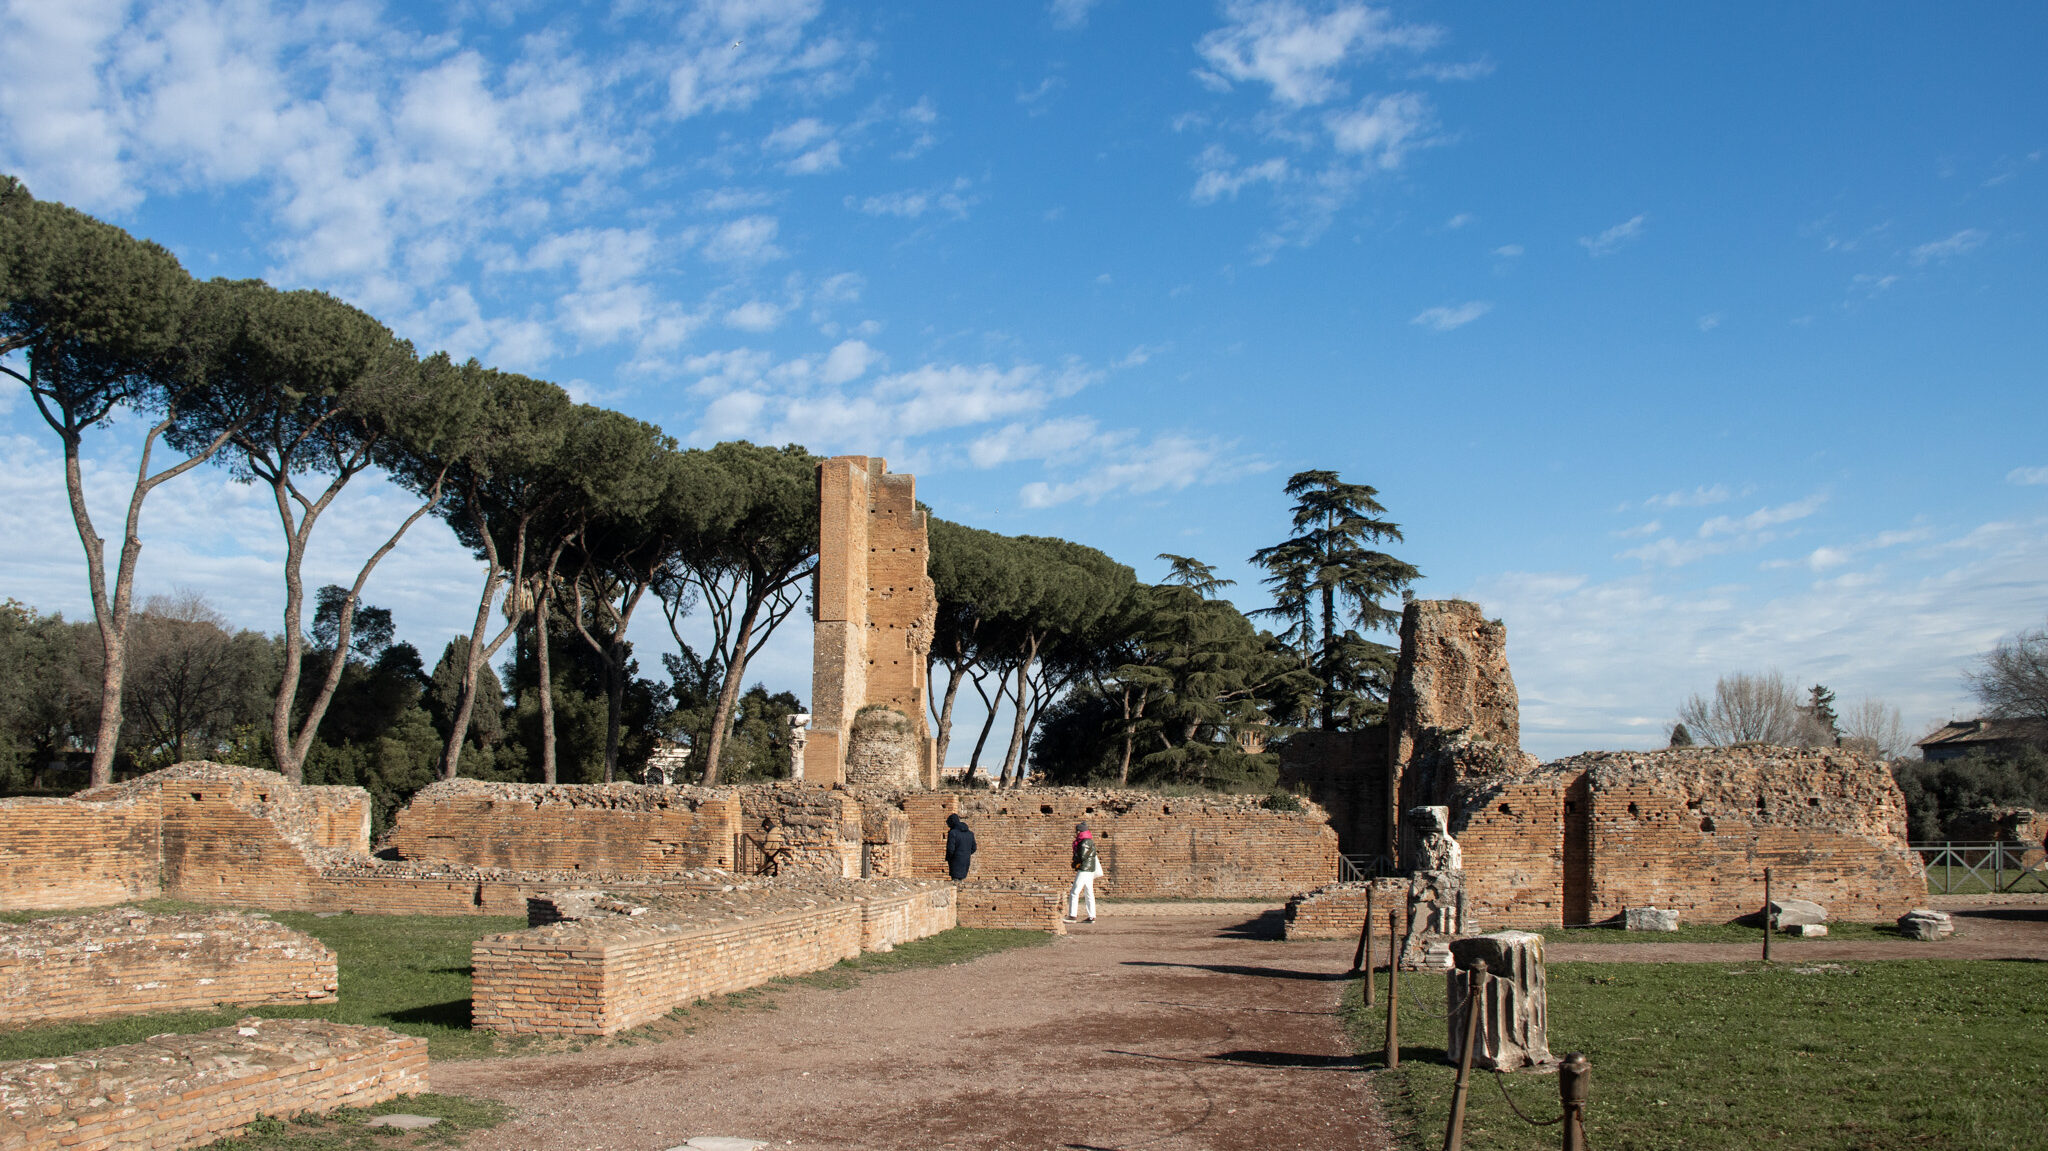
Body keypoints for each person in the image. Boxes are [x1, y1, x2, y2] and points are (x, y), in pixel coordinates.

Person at [1067, 821, 1105, 923]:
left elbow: (1082, 856)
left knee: (1074, 892)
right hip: (1089, 869)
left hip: (1085, 869)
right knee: (1089, 893)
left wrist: (1075, 861)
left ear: (1080, 831)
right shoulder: (1088, 840)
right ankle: (1091, 916)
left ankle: (1072, 915)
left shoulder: (1084, 841)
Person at [944, 812, 977, 881]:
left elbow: (950, 849)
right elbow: (974, 848)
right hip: (966, 861)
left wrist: (949, 858)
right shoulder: (970, 834)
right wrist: (965, 853)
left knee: (955, 882)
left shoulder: (953, 833)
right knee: (962, 881)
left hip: (955, 861)